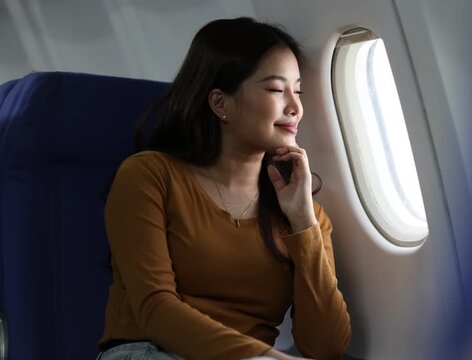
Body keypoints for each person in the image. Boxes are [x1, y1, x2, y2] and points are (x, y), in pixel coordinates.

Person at [97, 17, 351, 360]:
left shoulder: (306, 215)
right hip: (148, 351)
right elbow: (155, 309)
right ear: (220, 104)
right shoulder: (149, 176)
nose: (295, 107)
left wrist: (303, 222)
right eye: (277, 90)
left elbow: (326, 347)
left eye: (298, 91)